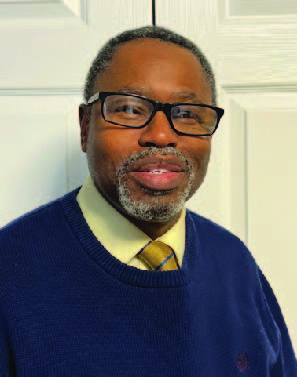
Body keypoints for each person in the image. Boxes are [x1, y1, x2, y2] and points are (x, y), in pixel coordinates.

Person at [0, 25, 296, 376]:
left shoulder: (235, 263)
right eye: (129, 108)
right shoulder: (9, 273)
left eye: (187, 113)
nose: (160, 135)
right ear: (85, 127)